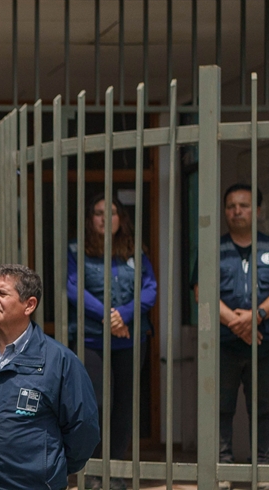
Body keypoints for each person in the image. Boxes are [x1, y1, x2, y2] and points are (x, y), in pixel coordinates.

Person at [0, 264, 99, 490]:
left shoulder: (60, 360)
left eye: (2, 293)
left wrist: (49, 471)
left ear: (29, 305)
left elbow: (84, 431)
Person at [193, 183, 269, 490]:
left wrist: (255, 316)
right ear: (224, 211)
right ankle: (221, 470)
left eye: (244, 205)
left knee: (264, 410)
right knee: (221, 408)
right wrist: (237, 322)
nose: (237, 211)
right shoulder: (212, 249)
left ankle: (264, 471)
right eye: (231, 206)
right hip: (222, 344)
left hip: (265, 344)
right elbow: (200, 291)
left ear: (257, 211)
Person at [66, 195, 156, 489]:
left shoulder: (135, 251)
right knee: (97, 405)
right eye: (99, 212)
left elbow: (150, 288)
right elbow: (72, 287)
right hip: (92, 340)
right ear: (90, 218)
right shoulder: (77, 251)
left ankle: (114, 472)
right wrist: (109, 317)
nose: (106, 218)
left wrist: (124, 316)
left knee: (123, 408)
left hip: (130, 340)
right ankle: (93, 473)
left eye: (112, 212)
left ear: (122, 218)